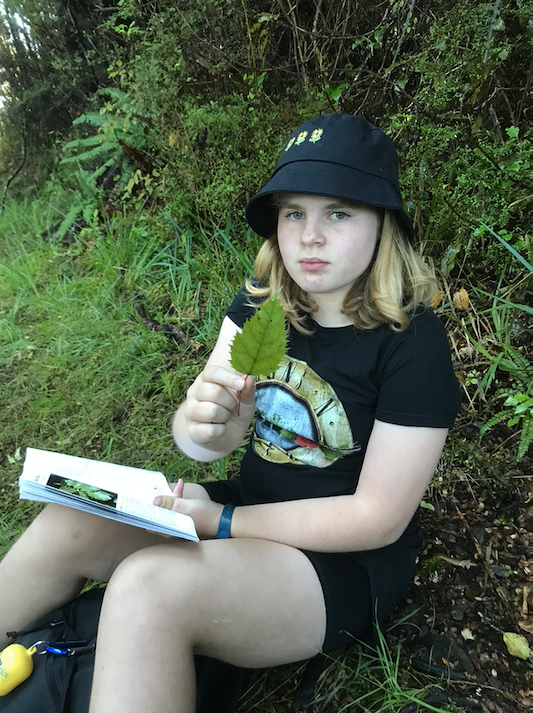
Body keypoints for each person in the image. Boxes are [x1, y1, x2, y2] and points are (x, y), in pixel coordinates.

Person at [0, 114, 461, 713]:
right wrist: (202, 423)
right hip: (246, 507)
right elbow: (202, 441)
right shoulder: (262, 303)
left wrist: (219, 522)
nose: (310, 236)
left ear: (384, 222)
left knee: (148, 589)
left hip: (341, 565)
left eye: (338, 214)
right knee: (70, 520)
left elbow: (375, 519)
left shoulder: (412, 342)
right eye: (294, 213)